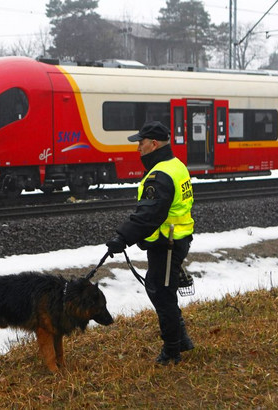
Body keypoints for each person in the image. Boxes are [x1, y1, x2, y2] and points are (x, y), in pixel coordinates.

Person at [105, 121, 195, 365]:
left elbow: (148, 215)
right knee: (163, 290)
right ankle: (182, 340)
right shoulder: (175, 165)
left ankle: (172, 352)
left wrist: (121, 238)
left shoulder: (160, 175)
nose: (138, 149)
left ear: (153, 144)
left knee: (162, 294)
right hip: (175, 240)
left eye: (140, 143)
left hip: (167, 245)